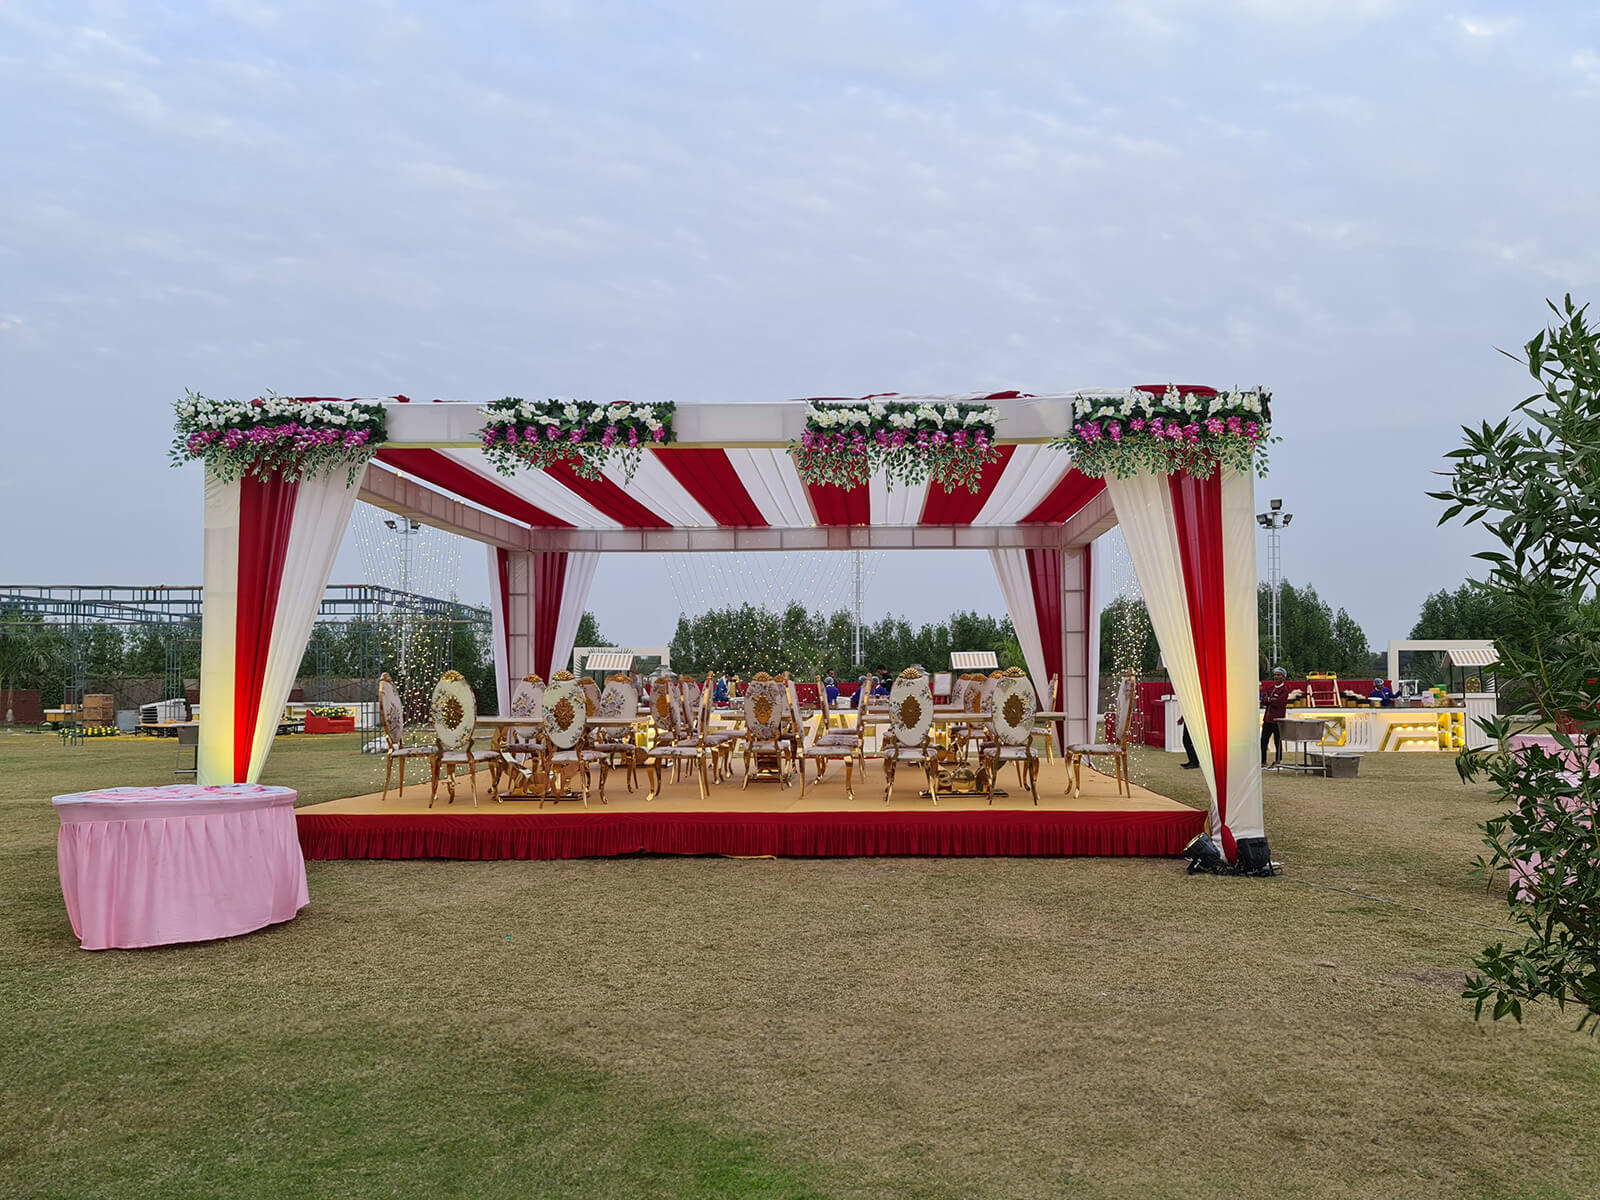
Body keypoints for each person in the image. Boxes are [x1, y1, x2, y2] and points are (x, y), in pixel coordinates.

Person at [1260, 666, 1293, 766]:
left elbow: (1279, 703)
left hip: (1277, 720)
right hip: (1267, 719)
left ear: (1283, 677)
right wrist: (1270, 700)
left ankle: (1278, 760)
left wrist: (1270, 700)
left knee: (1277, 741)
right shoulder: (1271, 688)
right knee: (1263, 741)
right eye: (1275, 675)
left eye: (1278, 675)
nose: (1276, 677)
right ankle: (1263, 760)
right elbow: (1264, 701)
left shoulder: (1284, 690)